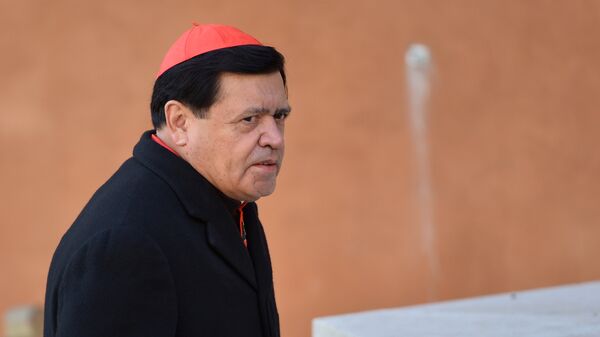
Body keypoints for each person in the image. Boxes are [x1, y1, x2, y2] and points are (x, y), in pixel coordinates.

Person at [43, 23, 290, 337]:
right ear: (180, 122)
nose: (274, 138)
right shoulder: (123, 245)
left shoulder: (227, 200)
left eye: (279, 116)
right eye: (249, 119)